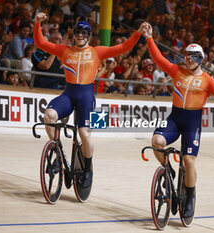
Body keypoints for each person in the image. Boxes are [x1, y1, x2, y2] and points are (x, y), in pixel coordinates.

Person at [34, 12, 144, 189]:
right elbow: (40, 43)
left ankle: (87, 167)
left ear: (89, 37)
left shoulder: (97, 52)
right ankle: (57, 149)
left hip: (87, 96)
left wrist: (138, 32)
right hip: (68, 94)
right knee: (49, 115)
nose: (80, 36)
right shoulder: (64, 50)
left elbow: (123, 47)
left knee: (84, 134)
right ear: (73, 35)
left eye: (84, 34)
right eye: (77, 33)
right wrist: (37, 23)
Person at [142, 22, 214, 218]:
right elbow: (157, 58)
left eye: (195, 57)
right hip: (174, 118)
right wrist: (149, 37)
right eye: (188, 56)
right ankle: (169, 171)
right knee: (156, 142)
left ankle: (189, 197)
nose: (190, 60)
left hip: (192, 122)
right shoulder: (177, 72)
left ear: (202, 59)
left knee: (189, 160)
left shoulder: (208, 80)